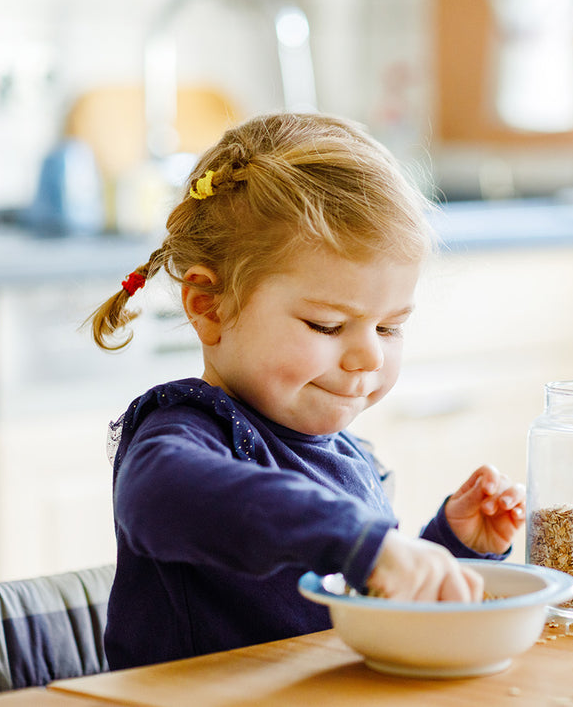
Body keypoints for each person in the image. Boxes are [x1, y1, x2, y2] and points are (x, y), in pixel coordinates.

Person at [88, 112, 525, 670]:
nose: (369, 355)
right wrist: (362, 543)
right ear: (209, 305)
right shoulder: (188, 430)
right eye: (326, 325)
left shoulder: (349, 456)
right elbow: (157, 499)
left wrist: (444, 552)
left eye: (389, 327)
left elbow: (356, 607)